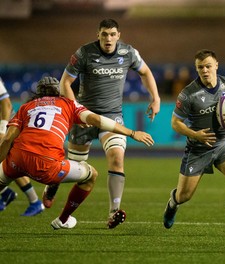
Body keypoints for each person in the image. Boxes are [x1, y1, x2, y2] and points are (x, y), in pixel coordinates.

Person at [42, 18, 161, 229]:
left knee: (117, 160)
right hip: (84, 117)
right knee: (73, 169)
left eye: (112, 34)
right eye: (104, 34)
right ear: (98, 35)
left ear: (118, 35)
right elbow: (65, 84)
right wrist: (77, 111)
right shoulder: (84, 53)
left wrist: (156, 98)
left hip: (112, 116)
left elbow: (146, 72)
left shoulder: (128, 53)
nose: (108, 38)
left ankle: (114, 211)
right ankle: (53, 184)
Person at [0, 76, 154, 229]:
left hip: (16, 161)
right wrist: (132, 133)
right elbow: (98, 120)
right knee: (90, 175)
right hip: (48, 165)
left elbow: (7, 139)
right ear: (58, 92)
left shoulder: (26, 107)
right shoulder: (67, 103)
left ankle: (50, 190)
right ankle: (63, 219)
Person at [163, 49, 225, 234]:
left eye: (208, 66)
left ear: (216, 65)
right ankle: (172, 204)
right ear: (196, 69)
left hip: (223, 145)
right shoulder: (188, 94)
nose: (205, 70)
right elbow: (175, 123)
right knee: (184, 196)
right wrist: (195, 134)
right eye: (200, 67)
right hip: (198, 149)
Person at [0, 76, 45, 216]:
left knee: (10, 162)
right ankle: (7, 193)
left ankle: (34, 201)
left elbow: (6, 104)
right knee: (9, 163)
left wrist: (2, 130)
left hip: (4, 124)